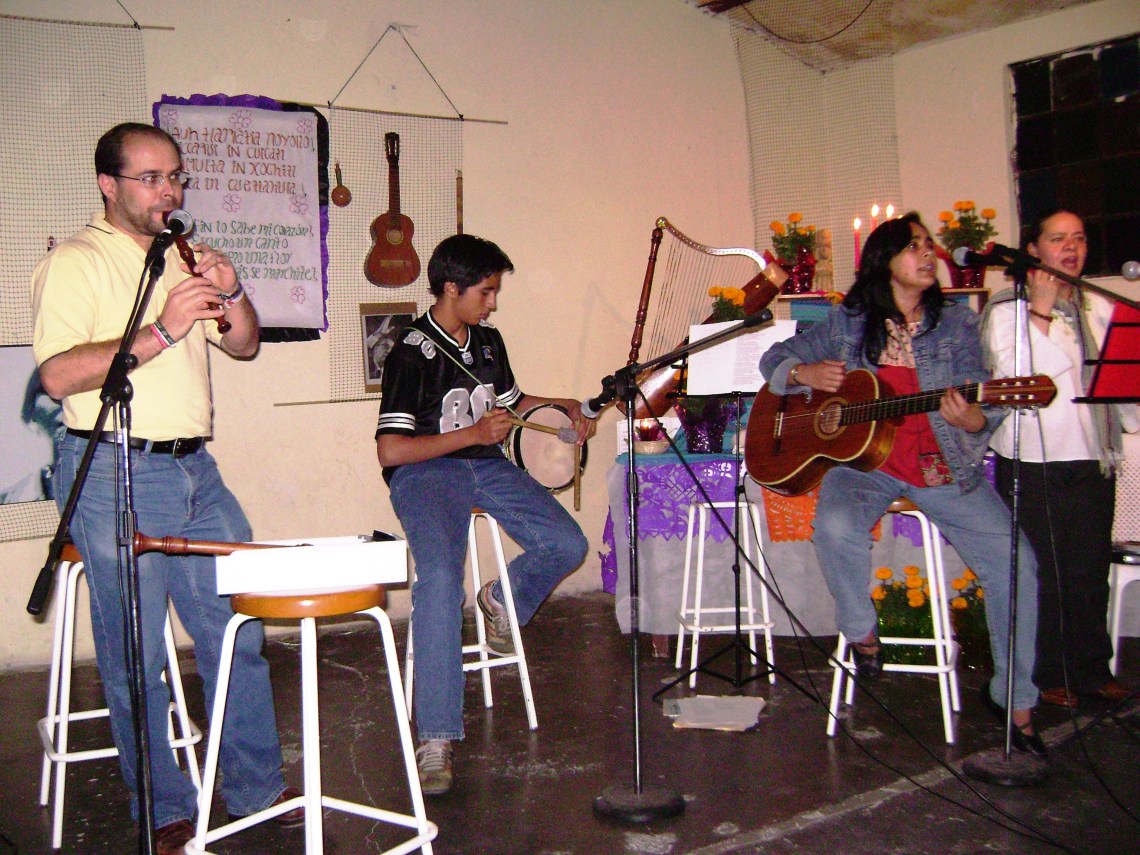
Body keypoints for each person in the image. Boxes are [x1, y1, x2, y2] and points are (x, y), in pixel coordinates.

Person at [31, 123, 299, 854]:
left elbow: (243, 343)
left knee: (236, 631)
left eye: (175, 176)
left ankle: (255, 787)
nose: (169, 192)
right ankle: (163, 805)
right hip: (112, 467)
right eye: (150, 178)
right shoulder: (76, 262)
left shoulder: (180, 255)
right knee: (136, 653)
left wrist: (231, 288)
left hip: (194, 470)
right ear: (108, 184)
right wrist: (163, 329)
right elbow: (57, 375)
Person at [758, 213, 1044, 755]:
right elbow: (773, 358)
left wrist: (975, 420)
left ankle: (1017, 703)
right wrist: (802, 374)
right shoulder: (847, 323)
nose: (929, 253)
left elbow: (985, 401)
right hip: (864, 466)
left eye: (929, 245)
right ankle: (862, 634)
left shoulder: (957, 324)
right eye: (914, 246)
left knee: (1017, 564)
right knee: (834, 526)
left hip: (942, 465)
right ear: (884, 261)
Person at [375, 234, 592, 795]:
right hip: (425, 475)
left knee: (567, 543)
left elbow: (512, 405)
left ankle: (499, 600)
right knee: (440, 579)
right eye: (487, 291)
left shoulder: (489, 342)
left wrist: (565, 405)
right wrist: (472, 435)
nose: (493, 303)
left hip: (487, 466)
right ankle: (436, 737)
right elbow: (391, 451)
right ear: (452, 288)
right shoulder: (409, 352)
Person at [982, 208, 1137, 707]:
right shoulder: (1008, 309)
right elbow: (1023, 381)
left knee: (1089, 571)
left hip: (1092, 459)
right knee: (1043, 574)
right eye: (1058, 238)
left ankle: (1091, 669)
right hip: (1032, 462)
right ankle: (1046, 673)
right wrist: (1042, 310)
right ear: (1033, 250)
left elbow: (1122, 383)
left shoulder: (1100, 306)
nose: (1071, 247)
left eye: (1079, 238)